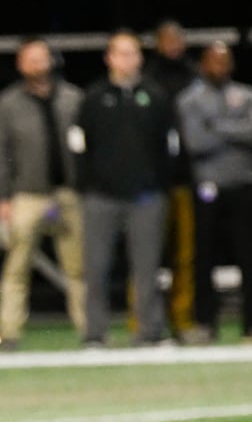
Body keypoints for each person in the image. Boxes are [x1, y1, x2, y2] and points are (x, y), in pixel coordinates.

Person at [73, 30, 177, 348]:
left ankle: (149, 331)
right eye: (120, 53)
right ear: (109, 57)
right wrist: (88, 186)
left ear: (140, 57)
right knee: (96, 268)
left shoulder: (156, 97)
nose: (126, 59)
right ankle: (95, 333)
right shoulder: (93, 97)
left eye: (132, 53)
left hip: (146, 197)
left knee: (147, 268)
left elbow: (170, 147)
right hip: (101, 197)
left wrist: (159, 185)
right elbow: (78, 146)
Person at [0, 38, 86, 346]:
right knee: (17, 266)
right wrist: (2, 196)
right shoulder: (9, 102)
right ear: (20, 64)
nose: (37, 64)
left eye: (41, 58)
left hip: (69, 193)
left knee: (80, 266)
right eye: (30, 59)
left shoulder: (73, 98)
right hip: (27, 194)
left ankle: (89, 330)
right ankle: (11, 331)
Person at [177, 42, 252, 344]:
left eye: (225, 62)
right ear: (203, 64)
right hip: (207, 187)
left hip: (243, 185)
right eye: (214, 62)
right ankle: (205, 322)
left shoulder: (245, 94)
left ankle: (250, 325)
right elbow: (195, 142)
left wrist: (216, 127)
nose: (219, 67)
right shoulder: (189, 99)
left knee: (249, 256)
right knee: (203, 256)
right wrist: (235, 130)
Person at [145, 20, 200, 340]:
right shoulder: (148, 81)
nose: (173, 45)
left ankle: (182, 318)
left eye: (178, 39)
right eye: (167, 40)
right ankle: (144, 321)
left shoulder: (194, 78)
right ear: (158, 43)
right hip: (152, 182)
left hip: (185, 180)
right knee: (148, 256)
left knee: (185, 255)